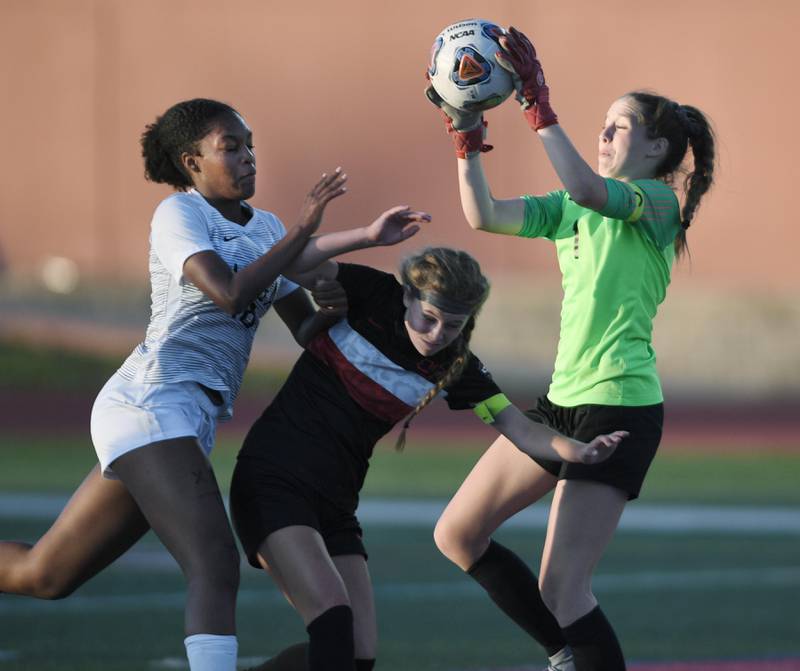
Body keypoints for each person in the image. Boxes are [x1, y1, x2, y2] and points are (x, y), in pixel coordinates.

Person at [0, 97, 428, 671]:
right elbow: (227, 291)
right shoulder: (180, 214)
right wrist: (304, 228)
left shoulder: (266, 227)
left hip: (187, 422)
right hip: (148, 403)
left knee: (45, 575)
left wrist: (336, 304)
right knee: (215, 563)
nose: (248, 157)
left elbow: (304, 328)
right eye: (231, 147)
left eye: (250, 145)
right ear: (191, 161)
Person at [426, 27, 716, 671]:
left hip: (620, 410)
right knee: (457, 534)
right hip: (561, 405)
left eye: (619, 126)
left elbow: (590, 189)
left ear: (659, 147)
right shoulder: (571, 207)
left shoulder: (658, 202)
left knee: (563, 586)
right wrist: (465, 135)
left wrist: (537, 105)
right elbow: (483, 214)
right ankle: (566, 655)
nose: (604, 133)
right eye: (603, 124)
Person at [228, 246, 628, 671]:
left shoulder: (455, 366)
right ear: (407, 297)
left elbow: (521, 428)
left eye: (453, 325)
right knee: (332, 625)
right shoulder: (374, 294)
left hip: (335, 505)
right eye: (429, 318)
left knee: (356, 659)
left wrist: (578, 451)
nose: (437, 333)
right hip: (274, 479)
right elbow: (294, 261)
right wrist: (368, 234)